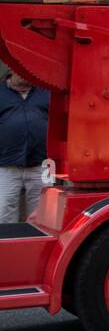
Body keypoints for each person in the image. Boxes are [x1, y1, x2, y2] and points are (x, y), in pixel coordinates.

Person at [0, 69, 50, 224]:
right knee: (4, 210)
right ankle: (6, 246)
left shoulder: (46, 92)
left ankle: (38, 246)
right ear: (12, 71)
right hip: (6, 165)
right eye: (23, 71)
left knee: (42, 213)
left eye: (31, 72)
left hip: (43, 164)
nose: (27, 75)